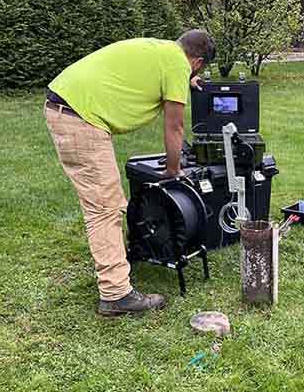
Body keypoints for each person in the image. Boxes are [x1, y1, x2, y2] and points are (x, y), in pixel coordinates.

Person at [44, 30, 216, 317]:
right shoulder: (176, 65)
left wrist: (187, 80)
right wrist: (173, 170)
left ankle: (116, 265)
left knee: (104, 202)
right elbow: (174, 127)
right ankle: (115, 294)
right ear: (197, 62)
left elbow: (168, 75)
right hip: (80, 117)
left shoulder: (164, 51)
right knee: (105, 207)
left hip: (67, 103)